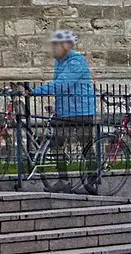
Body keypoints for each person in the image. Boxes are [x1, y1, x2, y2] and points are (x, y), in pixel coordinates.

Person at [31, 28, 100, 193]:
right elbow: (63, 87)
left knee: (86, 146)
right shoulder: (59, 63)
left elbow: (62, 84)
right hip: (64, 111)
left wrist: (34, 91)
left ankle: (93, 180)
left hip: (81, 112)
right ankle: (63, 180)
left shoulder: (76, 62)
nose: (53, 49)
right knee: (56, 145)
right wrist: (56, 104)